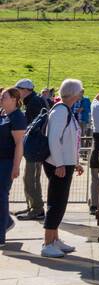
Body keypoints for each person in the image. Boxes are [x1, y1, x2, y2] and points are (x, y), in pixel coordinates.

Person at [42, 78, 84, 257]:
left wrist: (75, 161)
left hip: (64, 163)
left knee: (60, 203)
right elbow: (54, 139)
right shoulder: (61, 111)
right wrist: (60, 163)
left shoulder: (64, 110)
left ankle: (54, 239)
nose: (82, 94)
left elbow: (69, 141)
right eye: (80, 91)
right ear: (75, 94)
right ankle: (47, 243)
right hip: (58, 165)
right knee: (56, 203)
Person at [13, 78, 46, 222]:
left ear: (26, 90)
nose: (17, 92)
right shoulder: (33, 101)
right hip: (35, 147)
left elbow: (32, 126)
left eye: (19, 89)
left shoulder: (34, 102)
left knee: (30, 179)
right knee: (29, 178)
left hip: (35, 147)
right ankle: (32, 206)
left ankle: (37, 209)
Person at [0, 88, 27, 247]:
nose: (1, 98)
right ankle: (7, 222)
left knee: (1, 197)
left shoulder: (17, 117)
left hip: (6, 163)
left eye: (4, 96)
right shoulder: (3, 115)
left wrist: (16, 166)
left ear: (14, 99)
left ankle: (1, 235)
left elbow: (19, 144)